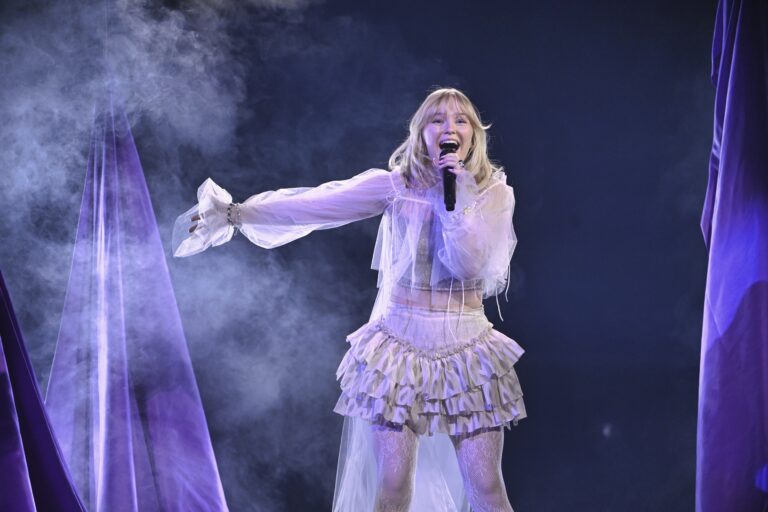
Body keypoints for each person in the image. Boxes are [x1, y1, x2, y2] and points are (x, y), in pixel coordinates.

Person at [172, 87, 526, 512]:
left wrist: (459, 198)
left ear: (473, 134)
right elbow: (317, 204)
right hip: (399, 348)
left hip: (467, 351)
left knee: (486, 486)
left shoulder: (493, 194)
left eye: (460, 120)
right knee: (393, 486)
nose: (449, 127)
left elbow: (470, 264)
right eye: (437, 120)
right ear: (421, 133)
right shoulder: (395, 186)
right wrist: (236, 213)